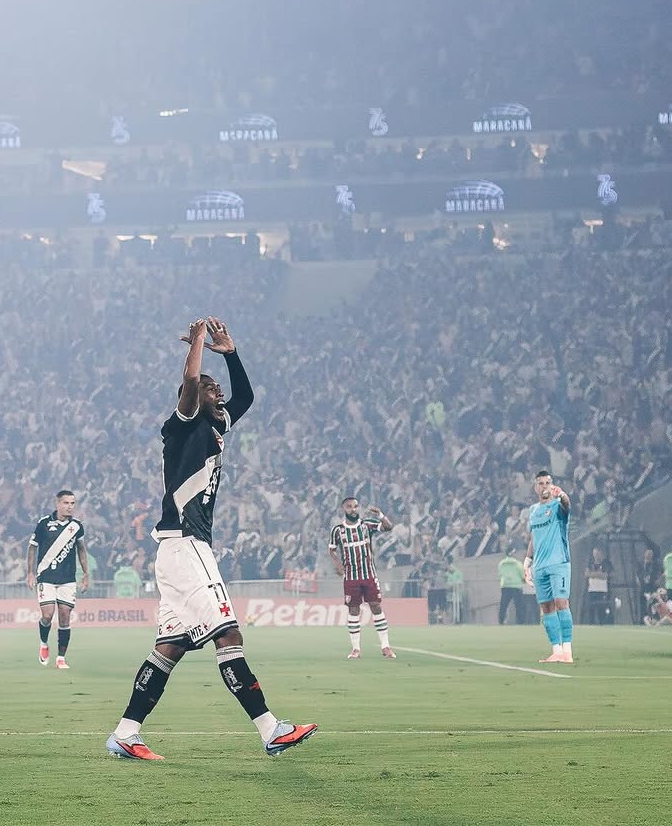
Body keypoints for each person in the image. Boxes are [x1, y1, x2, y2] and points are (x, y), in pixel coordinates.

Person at [106, 317, 316, 762]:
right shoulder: (182, 425)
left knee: (169, 647)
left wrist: (232, 354)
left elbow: (247, 398)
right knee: (228, 632)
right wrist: (198, 343)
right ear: (193, 398)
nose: (217, 390)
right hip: (187, 545)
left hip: (177, 551)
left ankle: (125, 732)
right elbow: (188, 382)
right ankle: (270, 729)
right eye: (209, 388)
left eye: (217, 387)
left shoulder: (215, 425)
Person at [27, 489, 89, 670]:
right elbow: (32, 547)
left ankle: (61, 658)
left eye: (72, 503)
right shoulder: (44, 523)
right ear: (57, 503)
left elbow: (81, 550)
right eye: (66, 503)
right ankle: (43, 643)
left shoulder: (77, 526)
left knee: (65, 616)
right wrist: (30, 573)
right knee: (47, 615)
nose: (70, 506)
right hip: (45, 576)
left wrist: (86, 574)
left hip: (67, 578)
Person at [329, 498, 396, 658]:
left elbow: (388, 527)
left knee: (376, 606)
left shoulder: (367, 525)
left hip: (369, 574)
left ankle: (385, 646)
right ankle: (356, 649)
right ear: (343, 509)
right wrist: (337, 564)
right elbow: (332, 549)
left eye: (355, 506)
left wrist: (380, 515)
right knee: (353, 610)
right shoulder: (337, 530)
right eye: (349, 507)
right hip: (351, 577)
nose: (353, 509)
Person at [523, 470, 573, 663]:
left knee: (561, 603)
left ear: (552, 485)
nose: (545, 486)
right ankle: (556, 651)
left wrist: (563, 495)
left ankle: (567, 651)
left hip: (558, 563)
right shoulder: (533, 510)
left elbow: (567, 505)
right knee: (546, 608)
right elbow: (534, 537)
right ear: (536, 487)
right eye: (541, 483)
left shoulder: (558, 505)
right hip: (540, 566)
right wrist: (528, 560)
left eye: (548, 482)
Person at [497, 544, 527, 625]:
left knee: (503, 605)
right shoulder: (517, 564)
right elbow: (522, 575)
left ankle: (501, 621)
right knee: (519, 605)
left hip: (505, 585)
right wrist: (523, 580)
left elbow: (500, 574)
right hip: (516, 586)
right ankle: (520, 622)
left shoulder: (501, 563)